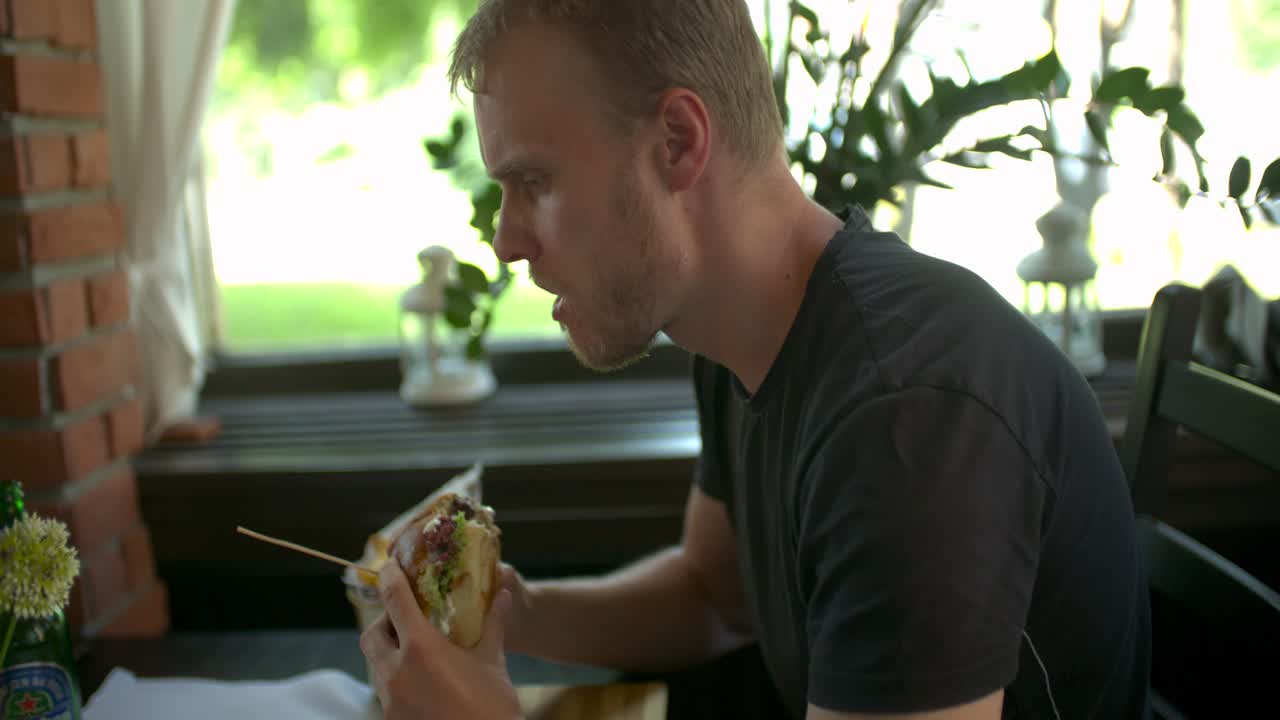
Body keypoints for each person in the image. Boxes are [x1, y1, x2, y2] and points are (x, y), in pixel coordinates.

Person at [359, 2, 1152, 718]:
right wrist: (509, 614)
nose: (504, 241)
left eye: (534, 180)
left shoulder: (903, 419)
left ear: (677, 143)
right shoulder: (734, 336)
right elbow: (716, 599)